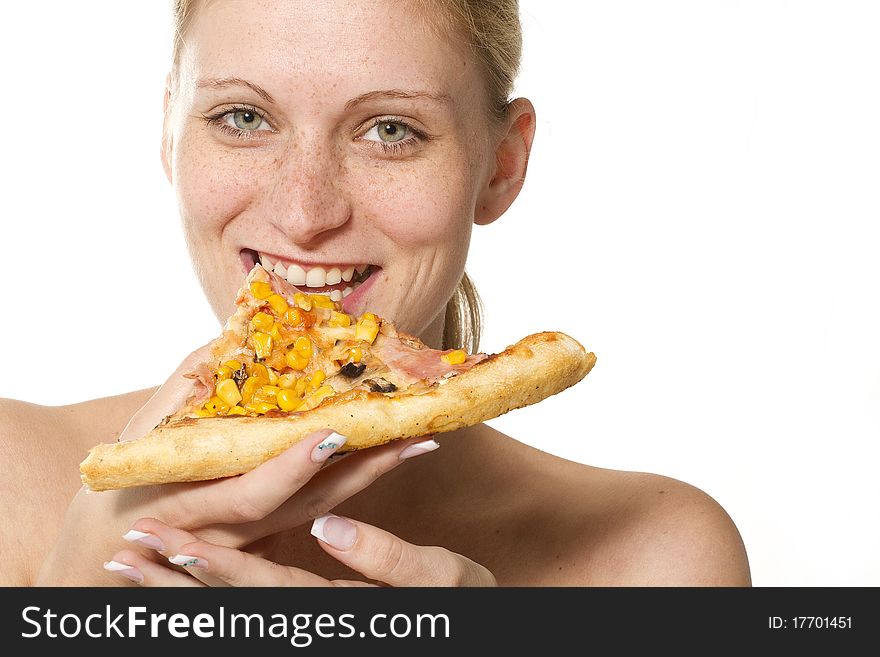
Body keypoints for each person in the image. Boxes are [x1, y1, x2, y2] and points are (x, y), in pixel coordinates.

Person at [0, 0, 750, 587]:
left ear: (502, 164)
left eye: (390, 130)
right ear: (170, 130)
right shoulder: (11, 484)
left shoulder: (655, 558)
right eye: (243, 117)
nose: (304, 211)